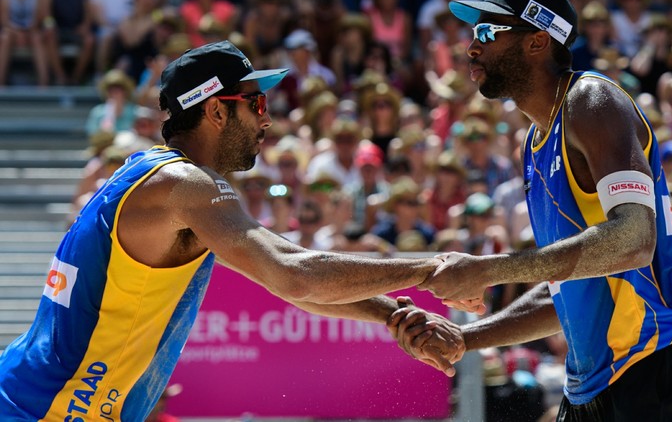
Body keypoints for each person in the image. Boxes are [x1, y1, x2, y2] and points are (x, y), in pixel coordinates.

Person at [0, 40, 466, 420]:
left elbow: (288, 281)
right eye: (255, 102)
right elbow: (294, 274)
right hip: (45, 410)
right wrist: (433, 269)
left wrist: (389, 315)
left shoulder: (156, 176)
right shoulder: (185, 185)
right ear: (216, 112)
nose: (266, 117)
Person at [390, 0, 672, 421]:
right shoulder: (533, 141)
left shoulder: (591, 101)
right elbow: (565, 285)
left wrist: (488, 270)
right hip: (594, 382)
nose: (472, 46)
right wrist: (465, 337)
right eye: (474, 34)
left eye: (488, 32)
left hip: (655, 364)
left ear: (537, 41)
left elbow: (634, 239)